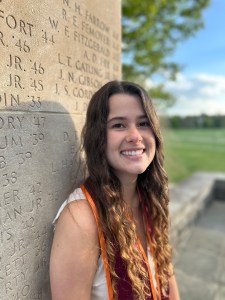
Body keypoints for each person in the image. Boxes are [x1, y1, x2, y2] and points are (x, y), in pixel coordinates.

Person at [50, 80, 180, 300]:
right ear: (99, 138)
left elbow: (167, 276)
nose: (135, 136)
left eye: (144, 123)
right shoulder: (81, 219)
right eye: (119, 125)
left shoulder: (150, 198)